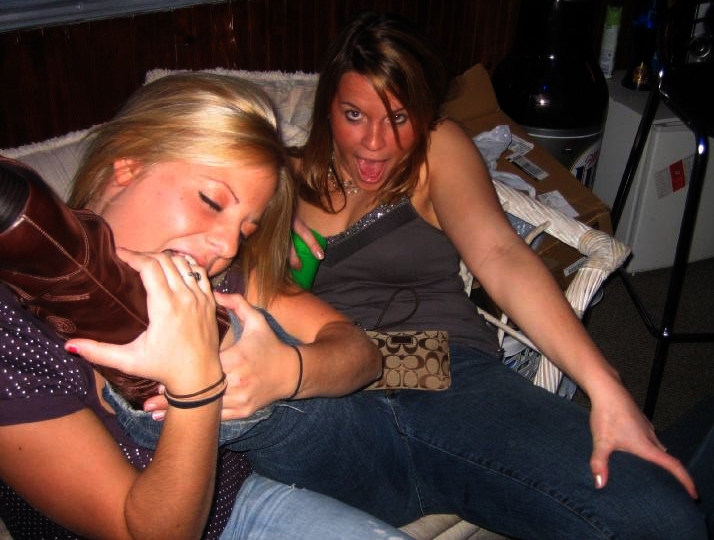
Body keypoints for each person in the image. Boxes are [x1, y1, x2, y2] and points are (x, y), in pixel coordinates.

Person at [56, 13, 707, 539]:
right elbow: (232, 282)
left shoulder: (435, 152)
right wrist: (266, 244)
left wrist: (606, 387)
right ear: (326, 108)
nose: (376, 144)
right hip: (326, 402)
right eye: (355, 115)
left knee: (657, 518)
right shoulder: (270, 186)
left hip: (445, 376)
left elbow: (501, 256)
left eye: (399, 116)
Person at [0, 72, 414, 540]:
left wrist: (283, 371)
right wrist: (196, 387)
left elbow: (363, 353)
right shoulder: (11, 322)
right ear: (129, 164)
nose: (227, 246)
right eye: (212, 202)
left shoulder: (212, 277)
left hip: (244, 496)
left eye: (245, 229)